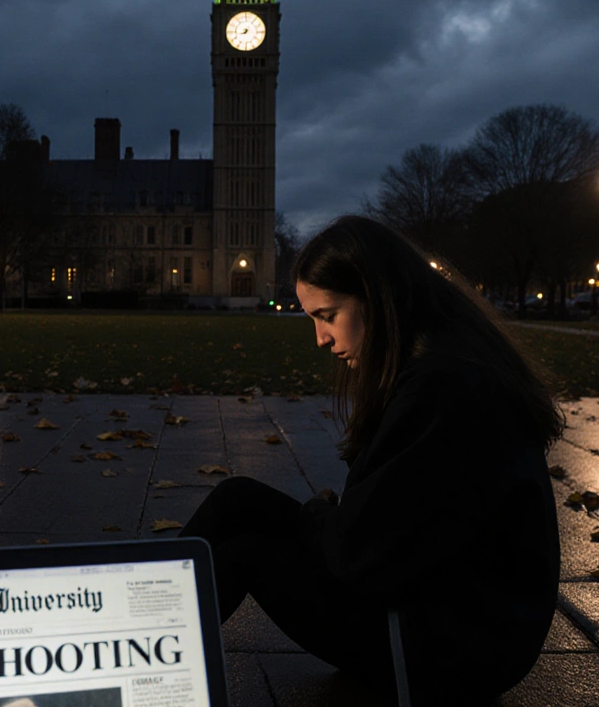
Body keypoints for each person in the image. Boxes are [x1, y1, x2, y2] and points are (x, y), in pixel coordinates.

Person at [179, 215, 563, 705]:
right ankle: (132, 619)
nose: (320, 339)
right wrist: (330, 519)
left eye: (328, 315)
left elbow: (354, 555)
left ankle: (142, 667)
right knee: (237, 498)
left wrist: (321, 515)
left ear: (377, 299)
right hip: (439, 608)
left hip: (450, 648)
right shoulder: (445, 363)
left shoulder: (442, 388)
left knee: (244, 556)